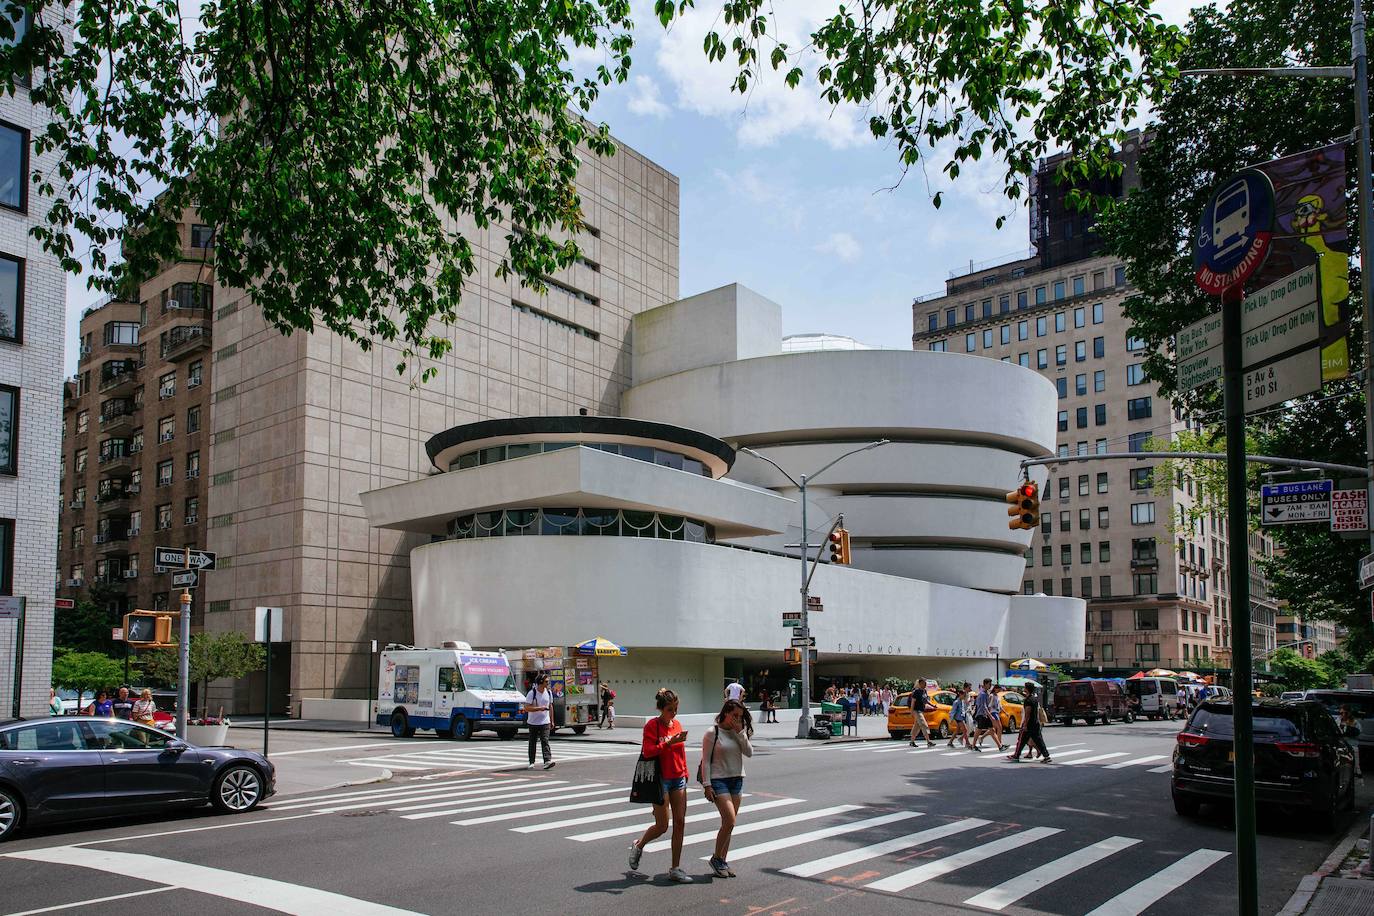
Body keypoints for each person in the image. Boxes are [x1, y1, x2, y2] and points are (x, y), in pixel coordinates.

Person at [629, 688, 692, 883]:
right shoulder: (652, 726)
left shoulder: (677, 724)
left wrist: (686, 771)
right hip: (661, 780)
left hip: (678, 777)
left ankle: (675, 868)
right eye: (670, 710)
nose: (673, 713)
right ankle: (639, 845)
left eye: (676, 709)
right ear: (660, 709)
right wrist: (668, 742)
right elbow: (648, 752)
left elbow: (681, 752)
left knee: (680, 822)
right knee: (663, 825)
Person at [702, 699, 754, 878]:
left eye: (740, 716)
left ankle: (722, 860)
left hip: (737, 779)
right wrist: (707, 785)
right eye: (734, 715)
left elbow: (749, 752)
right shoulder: (712, 732)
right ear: (725, 713)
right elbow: (706, 761)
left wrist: (740, 732)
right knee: (730, 820)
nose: (737, 719)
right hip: (719, 781)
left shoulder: (738, 732)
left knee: (729, 825)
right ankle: (716, 858)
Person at [1007, 682, 1052, 763]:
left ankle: (1016, 755)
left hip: (1029, 724)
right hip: (1035, 723)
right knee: (1038, 741)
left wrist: (1025, 724)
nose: (1023, 689)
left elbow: (1028, 713)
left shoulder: (1028, 700)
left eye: (1024, 687)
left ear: (1026, 689)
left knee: (1021, 740)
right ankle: (1046, 756)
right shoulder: (1034, 699)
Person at [524, 674, 556, 770]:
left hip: (545, 721)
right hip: (533, 722)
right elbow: (526, 708)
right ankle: (531, 762)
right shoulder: (532, 693)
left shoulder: (549, 692)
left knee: (545, 740)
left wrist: (552, 720)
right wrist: (539, 708)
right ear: (540, 682)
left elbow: (550, 706)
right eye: (546, 681)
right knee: (532, 742)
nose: (548, 683)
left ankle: (547, 761)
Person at [908, 679, 936, 747]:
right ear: (920, 684)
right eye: (924, 683)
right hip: (917, 711)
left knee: (917, 727)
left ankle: (911, 742)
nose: (925, 685)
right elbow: (913, 702)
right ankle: (928, 742)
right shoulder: (916, 691)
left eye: (925, 683)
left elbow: (925, 700)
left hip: (921, 710)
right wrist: (911, 712)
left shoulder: (924, 691)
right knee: (923, 724)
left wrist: (932, 705)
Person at [1339, 706, 1363, 778]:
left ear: (1349, 713)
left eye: (1345, 713)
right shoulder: (1338, 720)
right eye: (1341, 713)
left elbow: (1359, 734)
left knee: (1354, 765)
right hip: (1341, 746)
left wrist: (1350, 729)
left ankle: (1355, 775)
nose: (1343, 714)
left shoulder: (1355, 722)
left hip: (1352, 745)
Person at [971, 679, 994, 752]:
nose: (990, 686)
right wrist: (990, 716)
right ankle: (973, 745)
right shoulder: (983, 693)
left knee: (991, 729)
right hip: (982, 714)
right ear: (985, 684)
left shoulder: (985, 693)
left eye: (991, 684)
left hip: (984, 714)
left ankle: (1000, 746)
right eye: (989, 684)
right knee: (979, 729)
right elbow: (984, 706)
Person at [989, 686, 1007, 752]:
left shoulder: (997, 695)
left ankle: (981, 738)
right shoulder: (991, 695)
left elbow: (999, 705)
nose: (999, 690)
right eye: (998, 689)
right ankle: (1000, 743)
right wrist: (990, 715)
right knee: (999, 728)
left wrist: (1005, 712)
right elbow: (989, 705)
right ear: (995, 688)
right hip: (993, 712)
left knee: (992, 729)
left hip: (996, 712)